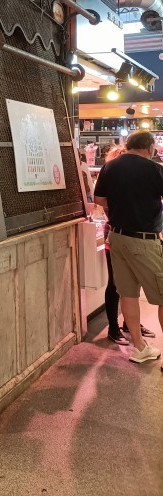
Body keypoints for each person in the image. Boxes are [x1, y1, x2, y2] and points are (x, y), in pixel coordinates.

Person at [94, 130, 163, 365]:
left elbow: (99, 200)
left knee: (128, 294)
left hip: (117, 238)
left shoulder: (110, 167)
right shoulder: (154, 168)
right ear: (150, 147)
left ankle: (140, 348)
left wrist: (119, 209)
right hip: (144, 240)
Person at [99, 146, 155, 345]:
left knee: (132, 284)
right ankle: (113, 328)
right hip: (114, 234)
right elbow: (104, 205)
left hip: (127, 236)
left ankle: (130, 324)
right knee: (115, 283)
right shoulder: (111, 178)